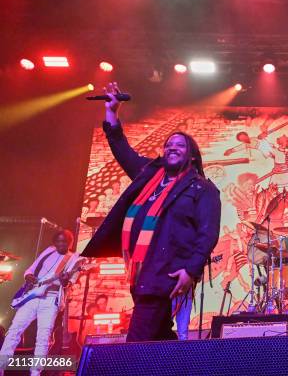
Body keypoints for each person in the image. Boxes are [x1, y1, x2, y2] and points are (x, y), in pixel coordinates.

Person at [81, 82, 222, 342]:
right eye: (168, 145)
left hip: (167, 273)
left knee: (137, 343)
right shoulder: (149, 175)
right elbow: (123, 152)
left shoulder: (202, 188)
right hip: (142, 272)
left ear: (191, 156)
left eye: (179, 145)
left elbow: (208, 233)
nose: (172, 148)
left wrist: (190, 270)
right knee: (158, 339)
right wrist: (112, 113)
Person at [0, 230, 81, 376]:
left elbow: (69, 283)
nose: (61, 244)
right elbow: (31, 268)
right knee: (14, 330)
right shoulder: (49, 251)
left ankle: (35, 372)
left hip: (51, 300)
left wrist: (64, 279)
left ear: (71, 243)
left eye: (65, 242)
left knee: (43, 336)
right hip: (32, 296)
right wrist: (29, 276)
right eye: (59, 242)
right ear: (54, 242)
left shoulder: (75, 259)